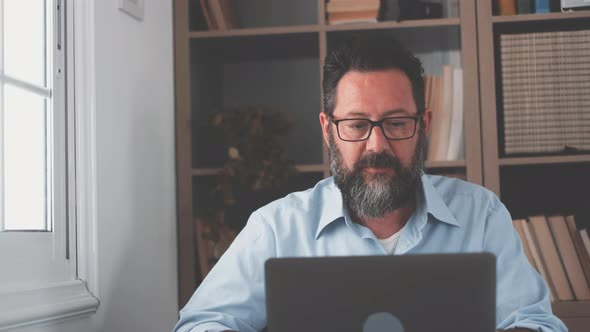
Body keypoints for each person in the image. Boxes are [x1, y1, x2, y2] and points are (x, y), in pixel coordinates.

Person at [173, 35, 567, 332]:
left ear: (423, 126)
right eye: (358, 125)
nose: (377, 145)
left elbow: (536, 321)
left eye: (396, 123)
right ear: (328, 131)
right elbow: (198, 324)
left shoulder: (481, 213)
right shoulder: (277, 228)